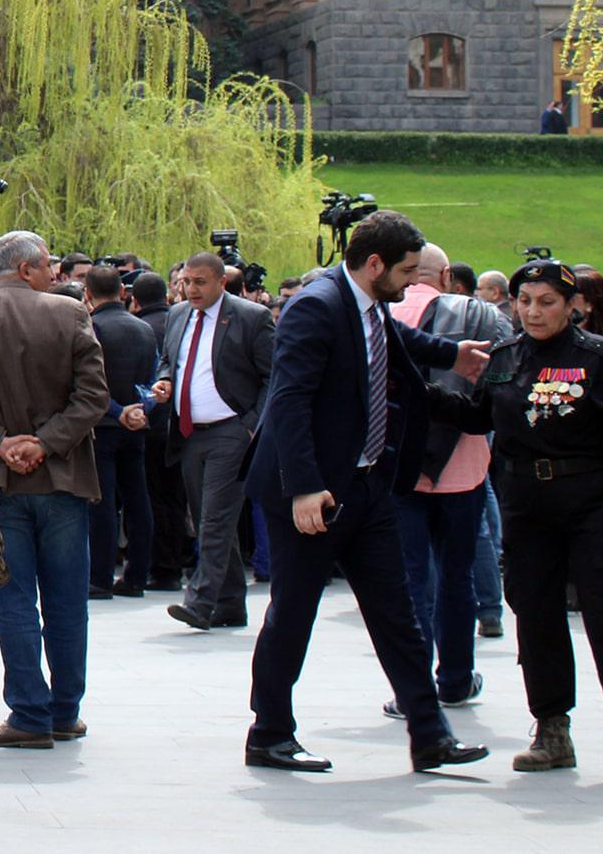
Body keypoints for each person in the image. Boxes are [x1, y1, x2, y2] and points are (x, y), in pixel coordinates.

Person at [243, 210, 491, 773]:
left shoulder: (369, 303)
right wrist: (305, 489)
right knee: (293, 614)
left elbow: (397, 340)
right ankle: (269, 734)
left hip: (365, 486)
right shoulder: (316, 306)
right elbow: (289, 400)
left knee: (396, 614)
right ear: (374, 264)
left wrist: (453, 354)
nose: (412, 282)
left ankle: (430, 736)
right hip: (311, 494)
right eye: (406, 272)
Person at [431, 258, 603, 777]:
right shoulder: (504, 359)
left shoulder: (602, 359)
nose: (533, 312)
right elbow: (477, 416)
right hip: (527, 504)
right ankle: (551, 731)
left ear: (572, 305)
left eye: (546, 302)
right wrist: (423, 392)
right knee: (536, 617)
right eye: (524, 301)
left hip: (594, 502)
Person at [0, 231, 109, 750]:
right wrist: (45, 443)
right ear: (28, 268)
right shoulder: (70, 313)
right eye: (49, 265)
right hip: (61, 478)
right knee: (67, 601)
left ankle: (29, 712)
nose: (54, 274)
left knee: (13, 602)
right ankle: (64, 711)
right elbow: (93, 396)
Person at [389, 241, 510, 717]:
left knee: (410, 578)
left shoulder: (383, 313)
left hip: (399, 465)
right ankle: (456, 679)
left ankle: (411, 688)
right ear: (445, 277)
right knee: (456, 577)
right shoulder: (480, 316)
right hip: (464, 465)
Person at [152, 252, 276, 631]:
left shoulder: (251, 317)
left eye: (200, 282)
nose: (191, 289)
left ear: (221, 282)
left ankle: (200, 601)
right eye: (186, 282)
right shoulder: (177, 315)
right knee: (209, 517)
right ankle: (231, 604)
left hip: (231, 431)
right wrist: (165, 380)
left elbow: (274, 376)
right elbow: (169, 359)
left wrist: (251, 426)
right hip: (189, 433)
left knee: (214, 521)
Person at [84, 267, 158, 597]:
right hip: (136, 425)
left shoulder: (93, 327)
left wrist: (117, 411)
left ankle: (100, 576)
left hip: (102, 425)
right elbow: (155, 378)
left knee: (103, 502)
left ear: (88, 294)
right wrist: (141, 410)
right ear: (123, 292)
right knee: (138, 499)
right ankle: (137, 575)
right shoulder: (144, 328)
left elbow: (90, 382)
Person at [126, 272, 188, 591]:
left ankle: (162, 566)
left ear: (135, 300)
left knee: (154, 497)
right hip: (182, 422)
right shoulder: (183, 323)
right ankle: (176, 562)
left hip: (149, 425)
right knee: (176, 496)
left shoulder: (139, 328)